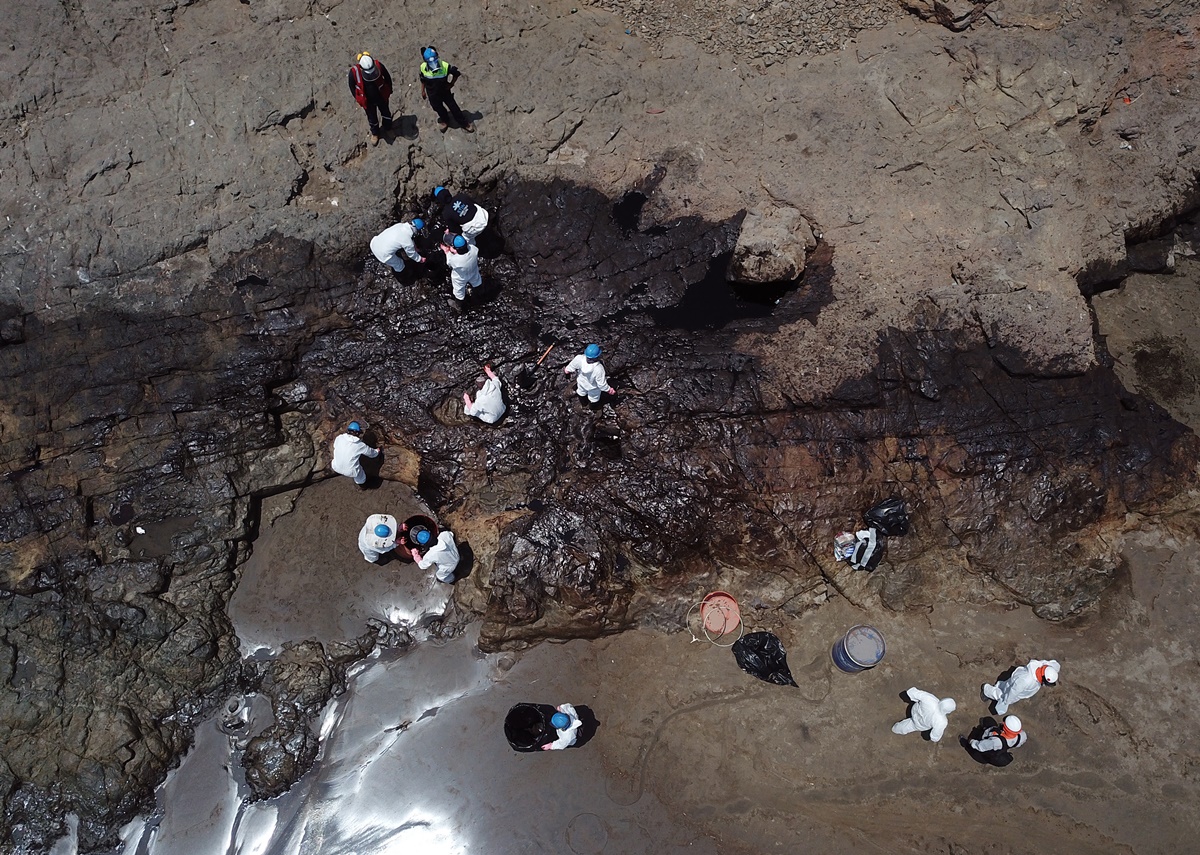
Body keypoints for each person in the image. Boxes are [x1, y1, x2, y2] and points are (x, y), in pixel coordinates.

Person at [418, 46, 474, 133]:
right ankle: (445, 120)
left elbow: (456, 73)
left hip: (444, 92)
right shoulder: (423, 67)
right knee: (437, 108)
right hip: (432, 94)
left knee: (454, 108)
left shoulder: (445, 66)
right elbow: (422, 80)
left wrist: (451, 84)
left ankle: (463, 123)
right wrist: (422, 91)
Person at [982, 659, 1059, 715]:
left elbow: (1055, 664)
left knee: (1005, 685)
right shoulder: (1026, 681)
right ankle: (987, 690)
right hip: (1016, 689)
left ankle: (998, 686)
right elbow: (1013, 692)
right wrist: (1005, 702)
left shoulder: (1043, 666)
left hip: (1016, 680)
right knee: (1002, 695)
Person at [348, 52, 393, 145]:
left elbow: (387, 77)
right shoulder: (354, 73)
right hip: (367, 100)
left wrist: (389, 89)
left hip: (381, 96)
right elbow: (352, 86)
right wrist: (358, 98)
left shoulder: (378, 66)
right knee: (372, 118)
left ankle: (388, 127)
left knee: (386, 113)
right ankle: (375, 133)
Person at [891, 687, 956, 743]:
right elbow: (935, 737)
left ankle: (895, 728)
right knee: (906, 727)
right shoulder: (942, 722)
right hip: (919, 725)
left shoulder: (930, 699)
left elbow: (912, 692)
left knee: (906, 724)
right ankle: (895, 729)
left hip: (913, 711)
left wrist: (914, 699)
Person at [331, 421, 380, 487]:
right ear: (357, 433)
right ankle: (362, 485)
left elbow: (335, 446)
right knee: (360, 472)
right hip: (350, 472)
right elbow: (372, 454)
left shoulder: (339, 438)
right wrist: (377, 451)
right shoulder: (359, 445)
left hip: (335, 467)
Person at [443, 234, 482, 305]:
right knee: (477, 282)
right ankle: (478, 296)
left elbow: (449, 263)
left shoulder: (455, 260)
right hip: (473, 272)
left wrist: (447, 252)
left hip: (460, 278)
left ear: (456, 249)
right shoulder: (473, 249)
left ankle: (459, 305)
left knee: (459, 292)